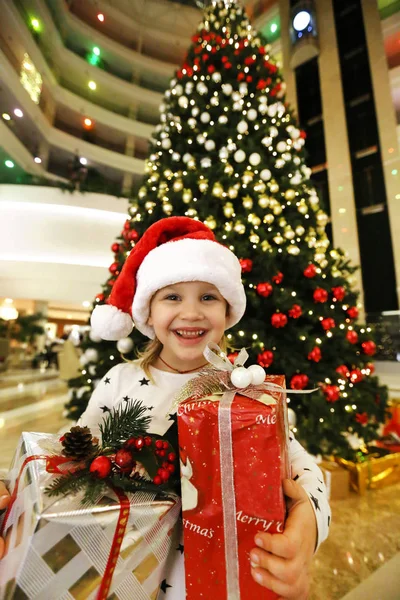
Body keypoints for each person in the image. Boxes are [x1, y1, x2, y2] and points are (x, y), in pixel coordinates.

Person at [0, 217, 331, 599]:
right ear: (148, 312)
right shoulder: (119, 381)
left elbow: (299, 463)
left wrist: (310, 523)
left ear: (227, 311)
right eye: (172, 297)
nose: (191, 313)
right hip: (126, 574)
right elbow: (68, 454)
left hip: (215, 579)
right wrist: (22, 495)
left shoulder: (243, 390)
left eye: (208, 297)